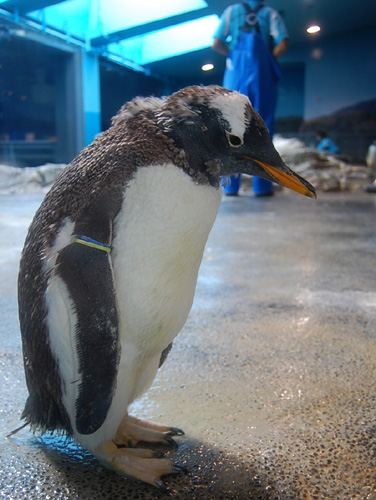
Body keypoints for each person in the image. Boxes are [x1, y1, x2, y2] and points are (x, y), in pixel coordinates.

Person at [212, 0, 289, 196]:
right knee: (263, 128)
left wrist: (232, 55)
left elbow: (216, 43)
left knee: (231, 126)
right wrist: (269, 59)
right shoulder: (270, 13)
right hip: (261, 74)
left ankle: (229, 185)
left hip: (235, 75)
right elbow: (283, 43)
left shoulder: (230, 12)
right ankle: (262, 187)